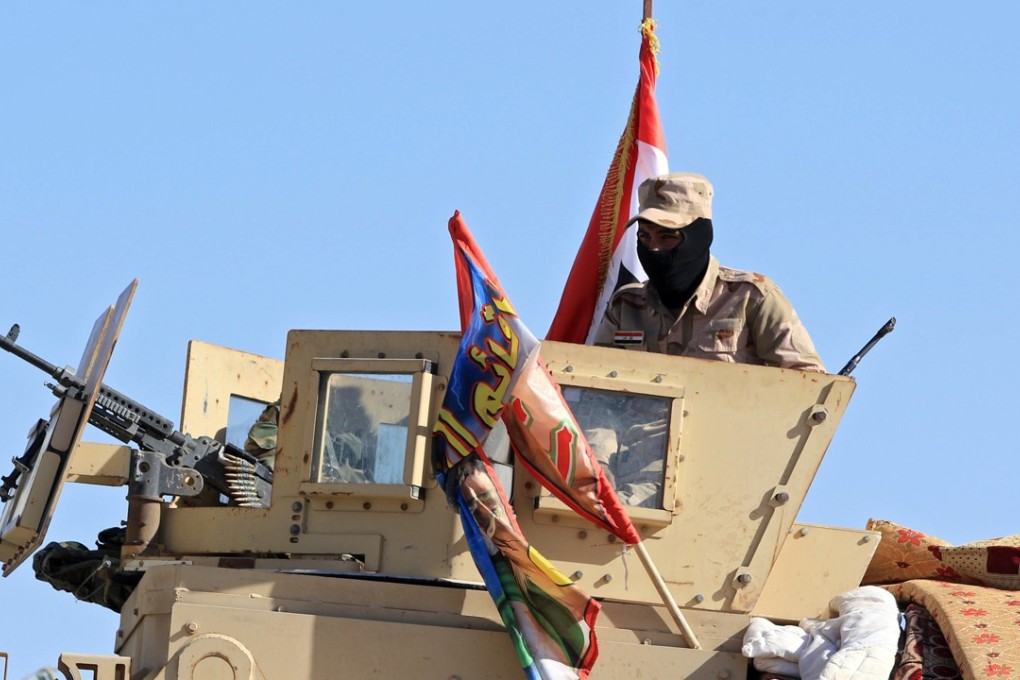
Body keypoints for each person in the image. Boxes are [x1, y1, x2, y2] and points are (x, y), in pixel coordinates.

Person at [593, 172, 825, 372]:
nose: (653, 248)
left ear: (698, 236)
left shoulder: (750, 297)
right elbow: (594, 387)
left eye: (667, 237)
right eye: (644, 236)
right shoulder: (625, 306)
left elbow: (806, 384)